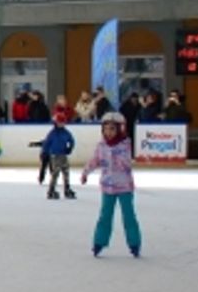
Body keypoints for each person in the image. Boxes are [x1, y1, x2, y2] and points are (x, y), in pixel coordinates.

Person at [82, 112, 142, 257]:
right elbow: (95, 160)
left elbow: (126, 163)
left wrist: (114, 154)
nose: (108, 132)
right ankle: (99, 242)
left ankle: (134, 243)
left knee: (128, 216)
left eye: (112, 129)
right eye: (106, 129)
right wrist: (86, 172)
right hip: (107, 187)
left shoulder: (125, 144)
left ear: (120, 129)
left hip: (124, 187)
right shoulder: (101, 145)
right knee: (105, 215)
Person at [37, 109, 77, 200]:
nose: (61, 124)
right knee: (55, 173)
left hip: (63, 155)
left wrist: (70, 148)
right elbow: (46, 143)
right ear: (55, 122)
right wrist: (44, 153)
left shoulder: (66, 132)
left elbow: (72, 140)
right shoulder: (52, 133)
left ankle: (67, 189)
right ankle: (51, 190)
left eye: (63, 122)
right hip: (55, 156)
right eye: (59, 122)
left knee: (66, 172)